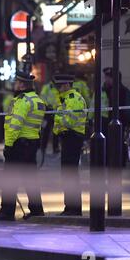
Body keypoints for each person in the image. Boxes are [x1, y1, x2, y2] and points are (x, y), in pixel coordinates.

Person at [0, 71, 46, 221]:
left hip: (18, 145)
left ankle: (7, 212)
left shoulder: (22, 101)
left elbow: (15, 125)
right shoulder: (38, 100)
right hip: (31, 144)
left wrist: (8, 146)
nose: (15, 84)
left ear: (21, 85)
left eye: (17, 82)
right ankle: (36, 210)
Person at [53, 74, 87, 216]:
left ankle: (74, 208)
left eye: (60, 86)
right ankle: (70, 207)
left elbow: (68, 122)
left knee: (70, 174)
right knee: (67, 173)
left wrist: (59, 121)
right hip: (69, 138)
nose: (58, 89)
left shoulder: (72, 100)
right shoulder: (67, 99)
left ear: (67, 84)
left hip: (72, 138)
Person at [40, 81, 61, 155]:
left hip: (56, 111)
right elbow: (42, 97)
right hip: (48, 111)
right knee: (46, 129)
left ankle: (55, 148)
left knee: (56, 130)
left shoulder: (58, 87)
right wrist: (47, 105)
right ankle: (43, 147)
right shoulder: (47, 87)